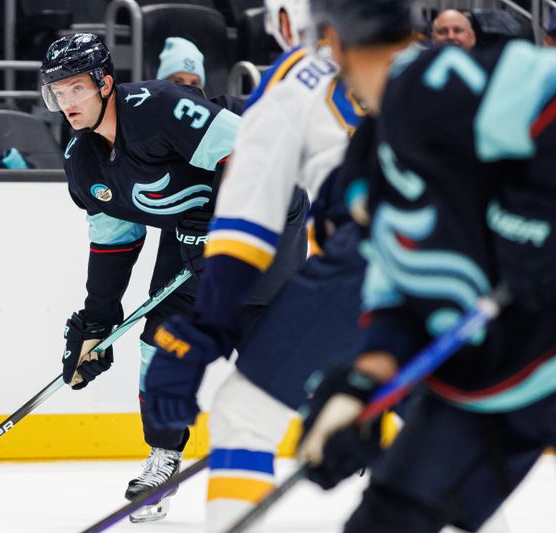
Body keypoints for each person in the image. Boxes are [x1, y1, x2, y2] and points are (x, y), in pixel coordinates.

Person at [297, 1, 556, 532]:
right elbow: (397, 290)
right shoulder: (367, 164)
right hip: (485, 378)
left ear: (334, 41)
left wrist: (533, 215)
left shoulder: (431, 82)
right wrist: (362, 386)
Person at [39, 32, 308, 523]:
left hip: (267, 213)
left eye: (75, 88)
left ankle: (365, 426)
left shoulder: (158, 107)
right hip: (192, 237)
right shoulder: (84, 161)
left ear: (104, 84)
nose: (66, 102)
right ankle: (163, 456)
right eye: (57, 92)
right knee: (159, 341)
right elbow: (112, 245)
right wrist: (97, 324)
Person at [141, 0, 367, 530]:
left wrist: (210, 316)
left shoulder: (287, 83)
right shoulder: (429, 67)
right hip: (416, 266)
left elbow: (253, 208)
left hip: (373, 267)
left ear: (287, 22)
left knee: (246, 414)